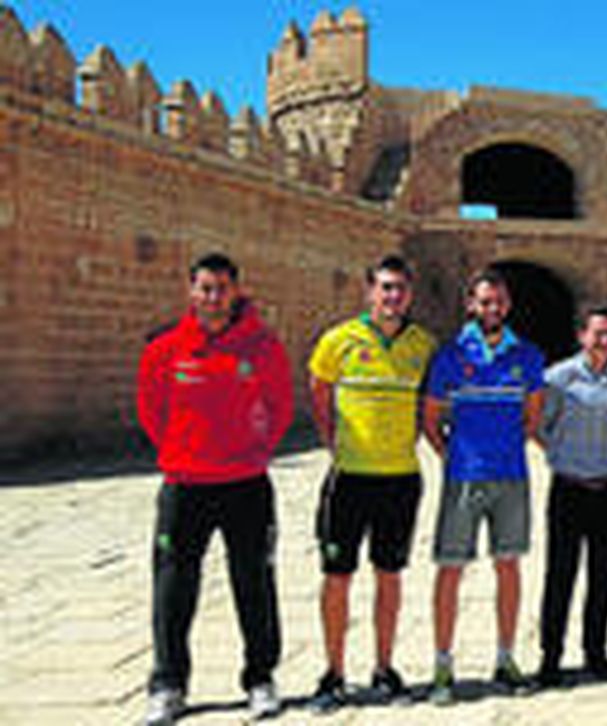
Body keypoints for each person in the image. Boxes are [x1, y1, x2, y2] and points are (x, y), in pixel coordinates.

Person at [138, 253, 292, 725]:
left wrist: (251, 450)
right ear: (191, 291)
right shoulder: (165, 349)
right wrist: (183, 453)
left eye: (221, 287)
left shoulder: (262, 346)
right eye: (204, 288)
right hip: (185, 486)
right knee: (173, 586)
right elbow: (152, 411)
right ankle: (168, 684)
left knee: (254, 582)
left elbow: (280, 406)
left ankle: (261, 679)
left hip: (245, 483)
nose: (213, 296)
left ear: (235, 290)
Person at [307, 254, 437, 710]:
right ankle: (334, 673)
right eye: (385, 288)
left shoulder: (423, 345)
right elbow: (319, 389)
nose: (392, 296)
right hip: (349, 479)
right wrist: (331, 441)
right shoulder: (339, 340)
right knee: (337, 577)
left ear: (410, 295)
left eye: (400, 288)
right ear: (369, 292)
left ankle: (384, 668)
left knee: (390, 575)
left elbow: (430, 401)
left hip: (400, 478)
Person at [420, 270, 546, 704]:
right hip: (463, 479)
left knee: (509, 566)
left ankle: (506, 658)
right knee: (450, 569)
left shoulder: (527, 355)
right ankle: (442, 666)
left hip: (511, 476)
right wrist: (454, 457)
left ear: (507, 306)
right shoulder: (451, 355)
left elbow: (532, 417)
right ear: (471, 305)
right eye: (484, 302)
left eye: (499, 302)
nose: (492, 309)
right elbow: (431, 419)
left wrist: (504, 449)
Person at [536, 307, 607, 686]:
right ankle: (551, 656)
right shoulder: (558, 378)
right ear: (582, 335)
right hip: (568, 489)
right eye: (598, 333)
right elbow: (539, 425)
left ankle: (595, 651)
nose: (604, 341)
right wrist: (560, 455)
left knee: (604, 576)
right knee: (560, 575)